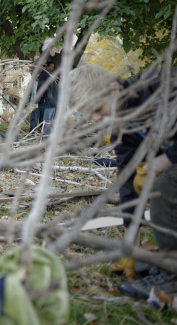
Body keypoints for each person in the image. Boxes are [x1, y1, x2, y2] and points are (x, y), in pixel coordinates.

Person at [69, 64, 177, 298]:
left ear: (114, 89)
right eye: (91, 114)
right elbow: (127, 184)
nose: (97, 118)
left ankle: (172, 277)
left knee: (164, 187)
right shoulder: (123, 129)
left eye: (98, 108)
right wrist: (130, 246)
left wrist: (165, 159)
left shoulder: (160, 82)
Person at [29, 59, 58, 134]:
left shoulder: (43, 76)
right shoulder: (48, 74)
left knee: (46, 120)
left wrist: (37, 101)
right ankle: (48, 136)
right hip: (51, 101)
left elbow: (41, 91)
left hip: (49, 102)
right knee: (47, 120)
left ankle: (48, 138)